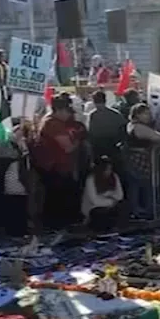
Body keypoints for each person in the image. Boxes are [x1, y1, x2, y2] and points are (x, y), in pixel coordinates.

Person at [33, 96, 83, 229]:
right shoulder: (53, 123)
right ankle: (55, 225)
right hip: (54, 166)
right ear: (60, 110)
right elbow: (68, 147)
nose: (69, 115)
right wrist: (78, 140)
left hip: (55, 166)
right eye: (67, 111)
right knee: (57, 198)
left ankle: (57, 223)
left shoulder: (52, 122)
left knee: (58, 196)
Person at [124, 103, 160, 220]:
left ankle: (138, 211)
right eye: (145, 113)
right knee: (145, 185)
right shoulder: (137, 127)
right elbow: (158, 137)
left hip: (134, 159)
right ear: (137, 114)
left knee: (136, 187)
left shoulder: (132, 125)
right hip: (139, 160)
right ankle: (146, 211)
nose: (148, 116)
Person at [82, 155, 125, 231]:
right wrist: (111, 200)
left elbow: (120, 195)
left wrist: (107, 195)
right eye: (107, 169)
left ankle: (118, 228)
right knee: (100, 213)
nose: (109, 171)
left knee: (124, 206)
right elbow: (94, 201)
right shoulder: (91, 179)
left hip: (111, 204)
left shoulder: (114, 176)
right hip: (94, 208)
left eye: (110, 169)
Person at [87, 90, 126, 165]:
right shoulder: (115, 113)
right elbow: (123, 128)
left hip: (103, 146)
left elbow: (90, 132)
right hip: (110, 145)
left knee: (100, 169)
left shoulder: (92, 115)